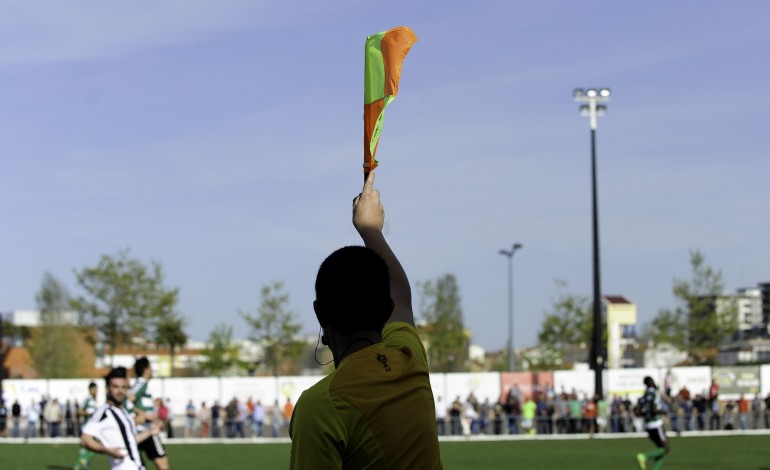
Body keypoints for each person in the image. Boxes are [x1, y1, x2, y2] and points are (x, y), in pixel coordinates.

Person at [289, 173, 442, 469]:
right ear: (387, 310)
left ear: (319, 313)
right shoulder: (408, 358)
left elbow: (399, 295)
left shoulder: (321, 406)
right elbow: (401, 292)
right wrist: (371, 230)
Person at [80, 367, 161, 470]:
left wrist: (150, 432)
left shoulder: (123, 412)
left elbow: (130, 440)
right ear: (107, 388)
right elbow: (85, 439)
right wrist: (108, 450)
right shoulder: (104, 412)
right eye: (116, 387)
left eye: (123, 387)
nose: (120, 391)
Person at [130, 357, 170, 470]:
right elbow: (127, 401)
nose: (152, 370)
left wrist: (154, 417)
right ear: (146, 369)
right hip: (145, 430)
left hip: (145, 430)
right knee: (163, 465)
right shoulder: (141, 384)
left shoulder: (144, 385)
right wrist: (144, 415)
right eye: (151, 367)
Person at [635, 377, 670, 470]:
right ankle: (644, 457)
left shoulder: (644, 395)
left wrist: (646, 414)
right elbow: (654, 409)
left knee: (660, 448)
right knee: (666, 448)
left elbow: (637, 412)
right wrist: (663, 412)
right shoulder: (655, 393)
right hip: (656, 423)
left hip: (647, 425)